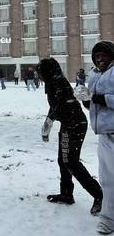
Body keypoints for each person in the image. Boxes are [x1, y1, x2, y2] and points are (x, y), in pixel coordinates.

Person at [37, 57, 103, 216]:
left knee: (71, 162)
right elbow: (55, 107)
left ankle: (100, 196)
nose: (39, 74)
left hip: (75, 124)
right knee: (63, 160)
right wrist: (48, 124)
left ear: (48, 71)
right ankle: (67, 194)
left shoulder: (58, 82)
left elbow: (60, 105)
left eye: (41, 71)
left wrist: (48, 123)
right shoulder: (52, 82)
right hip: (69, 124)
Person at [77, 41, 114, 234]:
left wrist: (101, 98)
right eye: (97, 56)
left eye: (104, 55)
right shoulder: (94, 75)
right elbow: (93, 104)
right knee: (107, 180)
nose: (100, 59)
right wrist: (86, 100)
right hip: (105, 135)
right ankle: (108, 220)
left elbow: (102, 99)